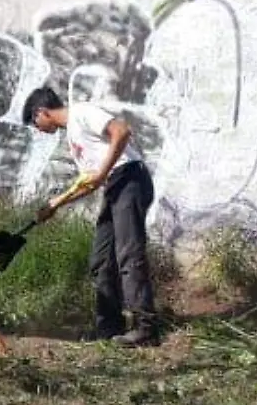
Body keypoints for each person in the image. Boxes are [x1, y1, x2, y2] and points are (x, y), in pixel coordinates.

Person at [22, 88, 161, 347]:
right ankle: (108, 328)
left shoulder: (82, 113)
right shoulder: (73, 137)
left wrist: (103, 171)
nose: (37, 129)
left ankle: (146, 329)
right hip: (114, 186)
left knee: (129, 254)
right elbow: (88, 182)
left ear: (41, 112)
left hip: (129, 178)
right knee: (101, 259)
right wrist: (56, 203)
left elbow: (122, 130)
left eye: (34, 122)